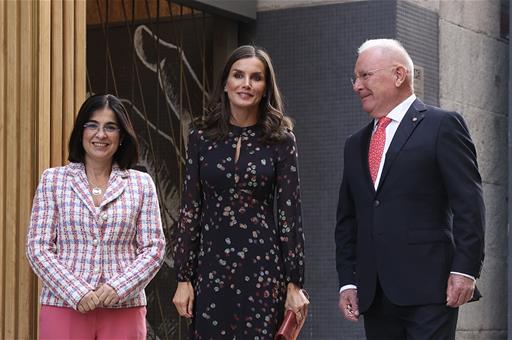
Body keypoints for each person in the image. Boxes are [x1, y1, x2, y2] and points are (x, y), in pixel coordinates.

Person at [335, 39, 485, 339]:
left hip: (431, 289)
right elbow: (348, 219)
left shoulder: (443, 126)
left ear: (399, 75)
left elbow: (469, 204)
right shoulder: (355, 144)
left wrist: (465, 270)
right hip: (375, 293)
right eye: (356, 78)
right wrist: (348, 282)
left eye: (365, 75)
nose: (357, 86)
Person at [172, 45, 309, 339]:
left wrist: (294, 284)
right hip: (210, 269)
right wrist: (184, 277)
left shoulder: (281, 141)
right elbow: (190, 210)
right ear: (225, 82)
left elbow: (289, 215)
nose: (246, 84)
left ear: (265, 88)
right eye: (238, 75)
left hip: (262, 269)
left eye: (255, 78)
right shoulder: (201, 137)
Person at [26, 94, 166, 339]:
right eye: (92, 125)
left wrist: (118, 288)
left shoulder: (142, 184)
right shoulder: (53, 179)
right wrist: (76, 292)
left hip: (124, 308)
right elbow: (38, 247)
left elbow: (154, 248)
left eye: (110, 127)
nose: (100, 134)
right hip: (64, 306)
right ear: (81, 131)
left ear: (121, 137)